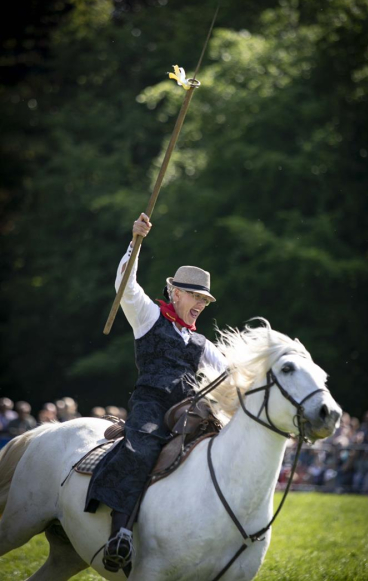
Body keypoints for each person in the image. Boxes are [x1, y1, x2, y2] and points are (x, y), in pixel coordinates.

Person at [85, 213, 227, 573]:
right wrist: (136, 241)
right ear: (175, 292)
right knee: (142, 449)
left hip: (187, 411)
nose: (200, 305)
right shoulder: (149, 316)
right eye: (195, 296)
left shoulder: (201, 341)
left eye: (205, 301)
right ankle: (120, 535)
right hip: (149, 405)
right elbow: (125, 286)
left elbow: (229, 373)